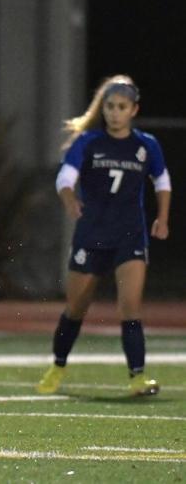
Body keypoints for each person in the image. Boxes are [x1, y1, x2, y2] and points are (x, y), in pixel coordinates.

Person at [36, 74, 171, 396]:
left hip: (130, 235)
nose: (114, 112)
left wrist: (162, 219)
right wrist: (69, 199)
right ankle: (57, 366)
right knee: (75, 309)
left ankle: (137, 376)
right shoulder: (88, 142)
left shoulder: (146, 145)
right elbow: (65, 177)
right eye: (110, 106)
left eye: (121, 107)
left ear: (133, 110)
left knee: (131, 307)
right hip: (92, 234)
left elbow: (162, 182)